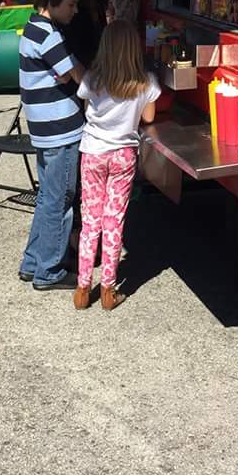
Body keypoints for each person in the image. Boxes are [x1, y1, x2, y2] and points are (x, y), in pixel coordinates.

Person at [72, 20, 160, 312]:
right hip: (123, 154)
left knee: (90, 222)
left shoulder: (93, 80)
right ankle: (109, 290)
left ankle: (83, 289)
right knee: (113, 221)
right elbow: (148, 118)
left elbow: (87, 111)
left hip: (93, 152)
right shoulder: (146, 82)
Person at [17, 0, 83, 291]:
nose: (75, 10)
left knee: (47, 197)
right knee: (61, 199)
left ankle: (33, 261)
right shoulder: (50, 35)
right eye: (70, 4)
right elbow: (77, 75)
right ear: (52, 3)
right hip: (61, 129)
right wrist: (76, 76)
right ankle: (49, 270)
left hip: (44, 129)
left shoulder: (33, 28)